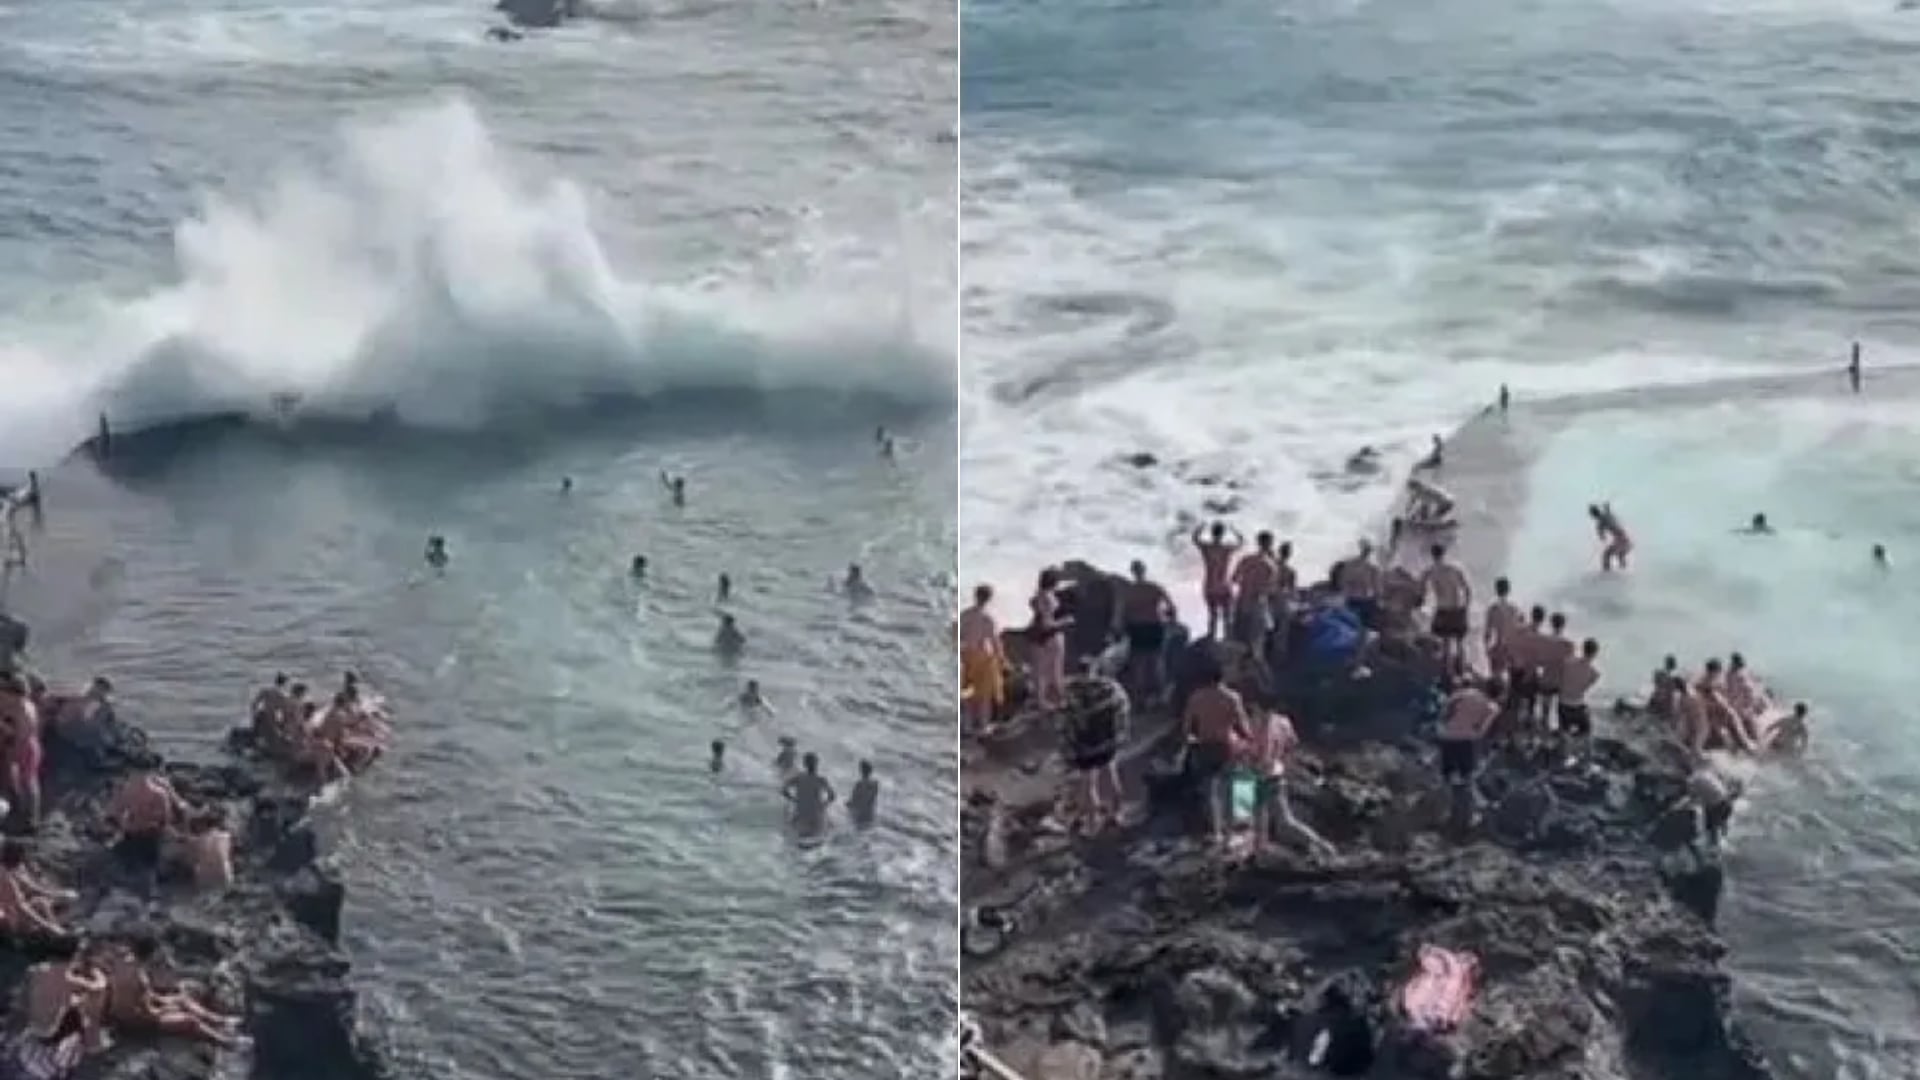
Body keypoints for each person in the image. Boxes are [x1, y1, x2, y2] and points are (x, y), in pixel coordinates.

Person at [102, 936, 240, 1046]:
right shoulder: (139, 978)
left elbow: (148, 996)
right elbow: (148, 1012)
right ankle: (225, 1041)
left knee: (182, 999)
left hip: (131, 1012)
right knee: (190, 1020)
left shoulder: (129, 967)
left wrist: (168, 1001)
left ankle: (219, 1021)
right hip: (135, 1022)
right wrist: (167, 1009)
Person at [1181, 660, 1251, 846]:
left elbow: (1187, 728)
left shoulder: (1196, 697)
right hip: (1226, 746)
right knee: (1233, 787)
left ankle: (1217, 832)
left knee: (1210, 792)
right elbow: (1243, 725)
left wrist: (1191, 742)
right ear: (1222, 677)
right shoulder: (1232, 697)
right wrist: (1248, 740)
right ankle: (1232, 833)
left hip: (1204, 747)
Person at [14, 942, 108, 1077]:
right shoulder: (72, 982)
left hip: (29, 1047)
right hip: (51, 1054)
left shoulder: (34, 972)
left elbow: (21, 1006)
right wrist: (95, 972)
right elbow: (99, 987)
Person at [1250, 707, 1333, 856]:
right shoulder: (1284, 722)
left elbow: (1263, 750)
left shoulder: (1263, 723)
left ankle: (1260, 854)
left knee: (1264, 818)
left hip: (1263, 774)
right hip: (1277, 772)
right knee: (1282, 821)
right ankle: (1321, 845)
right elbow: (1292, 745)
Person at [1062, 671, 1126, 833]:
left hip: (1085, 747)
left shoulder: (1072, 692)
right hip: (1108, 742)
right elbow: (1123, 709)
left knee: (1089, 784)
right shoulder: (1111, 688)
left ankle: (1091, 824)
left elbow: (1066, 722)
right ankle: (1116, 814)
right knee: (1112, 775)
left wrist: (1069, 748)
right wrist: (1119, 735)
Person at [1437, 677, 1501, 833]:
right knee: (1467, 778)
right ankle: (1466, 816)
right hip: (1466, 741)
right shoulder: (1492, 707)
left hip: (1447, 736)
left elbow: (1446, 707)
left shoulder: (1465, 693)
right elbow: (1481, 730)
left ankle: (1445, 811)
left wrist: (1445, 726)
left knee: (1449, 775)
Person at [104, 769, 188, 872]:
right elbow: (176, 811)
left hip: (139, 832)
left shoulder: (126, 788)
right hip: (153, 832)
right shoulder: (160, 786)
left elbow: (113, 815)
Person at [1114, 562, 1170, 704]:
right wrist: (1169, 620)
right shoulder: (1154, 587)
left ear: (1133, 572)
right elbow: (1171, 606)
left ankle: (1140, 697)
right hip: (1155, 626)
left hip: (1137, 627)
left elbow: (1121, 613)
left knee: (1138, 662)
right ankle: (1161, 695)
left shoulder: (1129, 591)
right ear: (1144, 571)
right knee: (1157, 660)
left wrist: (1119, 629)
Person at [0, 842, 71, 939]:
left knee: (43, 902)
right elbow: (21, 907)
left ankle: (56, 930)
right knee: (41, 903)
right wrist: (48, 926)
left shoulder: (13, 870)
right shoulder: (5, 878)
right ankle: (53, 932)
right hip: (10, 916)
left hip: (16, 909)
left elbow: (31, 887)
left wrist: (58, 894)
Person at [959, 585, 1005, 732]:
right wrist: (1002, 658)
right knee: (984, 694)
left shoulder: (965, 615)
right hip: (983, 657)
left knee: (968, 692)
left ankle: (967, 724)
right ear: (989, 599)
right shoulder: (987, 619)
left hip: (966, 655)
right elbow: (994, 640)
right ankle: (983, 725)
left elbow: (957, 636)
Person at [1420, 544, 1473, 670]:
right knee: (1460, 643)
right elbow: (1467, 589)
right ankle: (1462, 669)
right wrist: (1466, 607)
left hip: (1443, 609)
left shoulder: (1430, 571)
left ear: (1432, 555)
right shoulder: (1455, 568)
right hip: (1458, 608)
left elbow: (1421, 589)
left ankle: (1447, 672)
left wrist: (1422, 604)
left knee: (1446, 644)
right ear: (1444, 553)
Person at [0, 673, 42, 828]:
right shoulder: (14, 704)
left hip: (26, 749)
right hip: (14, 744)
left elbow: (20, 738)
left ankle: (32, 818)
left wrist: (10, 754)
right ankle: (13, 805)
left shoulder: (24, 711)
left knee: (28, 782)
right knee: (11, 778)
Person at [1027, 569, 1074, 710]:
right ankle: (1056, 700)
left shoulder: (1038, 595)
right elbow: (1047, 624)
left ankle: (1040, 699)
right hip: (1049, 636)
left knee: (1039, 669)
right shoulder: (1048, 598)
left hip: (1036, 636)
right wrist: (1065, 621)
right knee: (1054, 669)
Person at [1228, 532, 1281, 652]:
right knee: (1256, 642)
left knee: (1238, 639)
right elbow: (1272, 589)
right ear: (1270, 544)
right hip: (1258, 604)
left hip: (1241, 602)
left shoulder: (1246, 559)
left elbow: (1234, 579)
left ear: (1258, 542)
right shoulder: (1271, 565)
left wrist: (1247, 584)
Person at [1191, 522, 1243, 639]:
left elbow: (1194, 539)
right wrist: (1234, 529)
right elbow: (1241, 542)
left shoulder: (1207, 548)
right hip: (1224, 585)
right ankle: (1228, 637)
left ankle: (1212, 636)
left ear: (1212, 533)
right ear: (1223, 534)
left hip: (1210, 585)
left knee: (1213, 615)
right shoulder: (1226, 548)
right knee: (1227, 615)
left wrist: (1200, 527)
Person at [782, 752, 837, 841]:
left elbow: (784, 790)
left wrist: (794, 800)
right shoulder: (820, 779)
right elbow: (832, 796)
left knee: (798, 834)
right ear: (816, 764)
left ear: (804, 764)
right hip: (816, 814)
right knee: (826, 831)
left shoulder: (798, 778)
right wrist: (823, 805)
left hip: (801, 813)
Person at [174, 810, 232, 892]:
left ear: (204, 825)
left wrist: (185, 822)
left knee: (195, 862)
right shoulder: (226, 836)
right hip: (225, 879)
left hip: (205, 881)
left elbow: (184, 840)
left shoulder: (199, 840)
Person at [1557, 638, 1601, 741]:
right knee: (1587, 731)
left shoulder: (1568, 663)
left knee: (1564, 730)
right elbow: (1584, 688)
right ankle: (1581, 750)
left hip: (1563, 703)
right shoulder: (1594, 673)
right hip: (1577, 706)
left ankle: (1565, 747)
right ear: (1595, 653)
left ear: (1582, 649)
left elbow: (1561, 678)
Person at [1335, 541, 1383, 630]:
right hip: (1362, 602)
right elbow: (1378, 591)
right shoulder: (1371, 568)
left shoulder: (1348, 565)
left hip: (1349, 601)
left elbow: (1341, 583)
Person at [1482, 577, 1522, 683]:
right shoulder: (1515, 608)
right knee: (1511, 679)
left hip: (1498, 646)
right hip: (1512, 647)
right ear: (1508, 590)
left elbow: (1487, 632)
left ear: (1496, 590)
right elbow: (1521, 630)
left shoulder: (1493, 609)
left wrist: (1486, 649)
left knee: (1495, 676)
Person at [1588, 504, 1633, 571]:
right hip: (1624, 538)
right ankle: (1623, 570)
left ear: (1593, 515)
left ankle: (1608, 572)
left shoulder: (1601, 522)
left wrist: (1601, 534)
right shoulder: (1606, 516)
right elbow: (1609, 514)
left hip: (1621, 539)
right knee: (1619, 554)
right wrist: (1607, 508)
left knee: (1607, 555)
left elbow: (1603, 537)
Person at [847, 761, 879, 828]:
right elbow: (872, 798)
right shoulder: (875, 784)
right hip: (870, 812)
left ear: (861, 771)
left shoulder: (859, 784)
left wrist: (848, 805)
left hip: (860, 813)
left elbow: (853, 800)